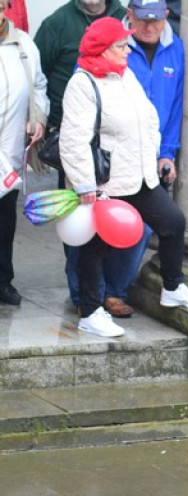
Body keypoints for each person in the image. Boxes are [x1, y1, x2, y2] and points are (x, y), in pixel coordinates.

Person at [62, 17, 188, 338]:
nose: (128, 49)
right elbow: (73, 140)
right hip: (106, 184)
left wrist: (156, 154)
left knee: (173, 222)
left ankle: (172, 287)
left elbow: (148, 117)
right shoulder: (83, 83)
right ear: (102, 50)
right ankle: (90, 311)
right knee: (95, 246)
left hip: (140, 176)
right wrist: (86, 184)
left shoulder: (125, 74)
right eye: (120, 45)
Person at [0, 0, 48, 307]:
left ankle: (3, 282)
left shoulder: (23, 45)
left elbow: (39, 85)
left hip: (9, 153)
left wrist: (38, 117)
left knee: (4, 220)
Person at [35, 0, 126, 133]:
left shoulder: (125, 19)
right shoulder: (56, 23)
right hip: (67, 127)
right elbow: (36, 77)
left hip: (116, 130)